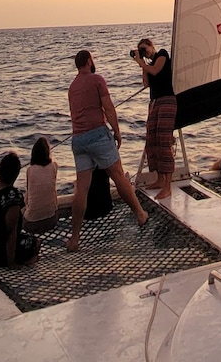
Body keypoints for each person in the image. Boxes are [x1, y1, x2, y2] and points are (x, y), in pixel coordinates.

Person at [65, 50, 148, 252]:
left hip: (78, 139)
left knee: (81, 188)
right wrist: (117, 132)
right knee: (118, 175)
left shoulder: (72, 87)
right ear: (87, 62)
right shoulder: (97, 79)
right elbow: (109, 108)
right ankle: (140, 214)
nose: (94, 62)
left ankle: (74, 239)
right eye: (93, 59)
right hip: (97, 135)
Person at [131, 37, 176, 200]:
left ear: (151, 46)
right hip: (154, 102)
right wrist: (142, 64)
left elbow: (156, 70)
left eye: (145, 49)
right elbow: (145, 84)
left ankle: (168, 186)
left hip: (167, 100)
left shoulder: (162, 55)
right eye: (142, 50)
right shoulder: (147, 64)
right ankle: (159, 179)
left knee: (164, 142)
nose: (145, 53)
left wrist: (141, 62)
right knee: (152, 140)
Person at [23, 136, 60, 235]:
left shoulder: (30, 170)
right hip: (52, 220)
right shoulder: (54, 166)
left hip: (31, 223)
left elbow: (29, 192)